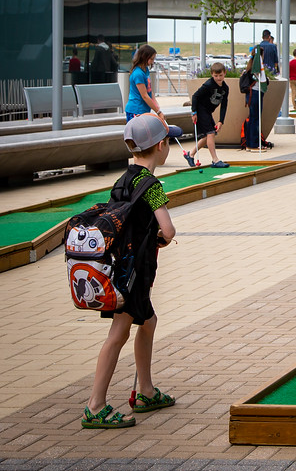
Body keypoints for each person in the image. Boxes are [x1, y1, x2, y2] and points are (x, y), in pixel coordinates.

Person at [80, 113, 179, 429]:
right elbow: (169, 229)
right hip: (132, 274)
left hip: (119, 268)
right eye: (168, 142)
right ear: (161, 146)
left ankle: (145, 390)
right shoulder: (150, 185)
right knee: (119, 333)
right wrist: (161, 238)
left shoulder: (123, 180)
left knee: (147, 321)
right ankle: (95, 405)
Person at [186, 62, 230, 168]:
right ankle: (215, 160)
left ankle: (190, 154)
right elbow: (195, 96)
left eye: (220, 75)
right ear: (211, 74)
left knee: (207, 136)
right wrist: (194, 112)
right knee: (210, 133)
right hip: (201, 109)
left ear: (225, 73)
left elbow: (224, 105)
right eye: (216, 76)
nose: (218, 78)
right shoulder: (208, 85)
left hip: (208, 111)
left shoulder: (225, 88)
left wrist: (221, 121)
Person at [125, 45, 164, 123]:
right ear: (144, 57)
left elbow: (149, 90)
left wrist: (157, 106)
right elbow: (144, 96)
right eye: (151, 59)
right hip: (136, 110)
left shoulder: (145, 70)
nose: (152, 61)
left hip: (144, 109)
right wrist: (158, 112)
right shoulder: (138, 73)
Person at [243, 47, 269, 151]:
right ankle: (253, 144)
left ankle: (250, 143)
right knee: (255, 119)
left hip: (253, 94)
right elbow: (262, 81)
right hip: (255, 93)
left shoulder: (251, 66)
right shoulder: (256, 67)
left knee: (253, 119)